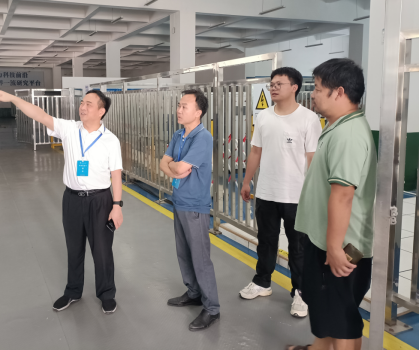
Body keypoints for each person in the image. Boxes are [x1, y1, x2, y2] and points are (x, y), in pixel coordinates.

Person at [0, 86, 124, 315]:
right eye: (82, 103)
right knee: (74, 248)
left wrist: (117, 206)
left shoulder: (110, 140)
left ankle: (107, 294)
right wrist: (11, 98)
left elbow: (116, 175)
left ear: (101, 111)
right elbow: (39, 114)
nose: (82, 107)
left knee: (102, 251)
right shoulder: (69, 129)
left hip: (100, 200)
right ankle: (73, 291)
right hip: (72, 199)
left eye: (89, 104)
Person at [287, 59, 377, 350]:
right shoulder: (338, 126)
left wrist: (335, 249)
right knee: (326, 307)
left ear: (339, 92)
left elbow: (343, 195)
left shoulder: (348, 135)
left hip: (340, 246)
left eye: (317, 88)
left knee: (342, 318)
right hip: (326, 241)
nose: (312, 94)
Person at [239, 67, 322, 318]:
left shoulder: (308, 118)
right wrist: (246, 181)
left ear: (294, 87)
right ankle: (262, 282)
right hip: (266, 192)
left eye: (279, 84)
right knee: (266, 241)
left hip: (297, 196)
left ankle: (301, 292)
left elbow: (312, 158)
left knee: (299, 247)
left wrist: (314, 192)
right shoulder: (264, 116)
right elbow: (256, 151)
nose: (273, 88)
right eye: (272, 84)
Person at [159, 89, 220, 332]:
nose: (179, 109)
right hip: (179, 200)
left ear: (198, 112)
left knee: (200, 258)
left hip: (195, 205)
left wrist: (174, 166)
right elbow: (164, 163)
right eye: (179, 105)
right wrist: (175, 168)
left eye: (185, 106)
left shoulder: (202, 138)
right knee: (183, 252)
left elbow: (176, 166)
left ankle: (212, 308)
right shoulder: (178, 134)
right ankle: (194, 293)